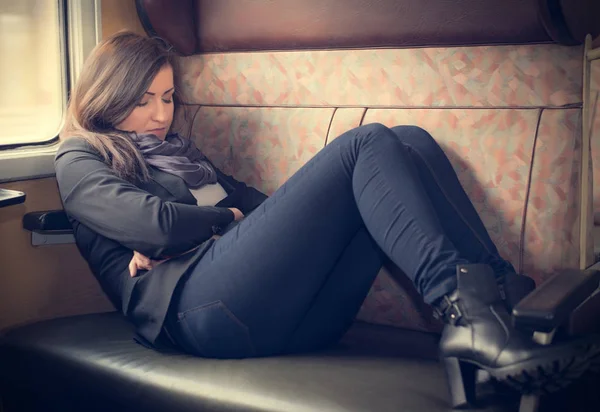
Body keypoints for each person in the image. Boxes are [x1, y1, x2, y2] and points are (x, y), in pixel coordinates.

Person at [54, 31, 592, 406]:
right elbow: (161, 226)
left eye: (169, 98)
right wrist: (222, 218)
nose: (160, 115)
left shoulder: (183, 155)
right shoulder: (80, 159)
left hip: (297, 316)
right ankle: (470, 317)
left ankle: (507, 310)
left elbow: (264, 211)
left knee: (409, 142)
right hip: (203, 316)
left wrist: (214, 221)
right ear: (109, 95)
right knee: (366, 144)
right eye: (143, 100)